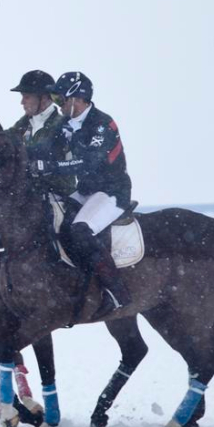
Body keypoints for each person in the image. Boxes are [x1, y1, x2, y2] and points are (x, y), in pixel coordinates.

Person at [38, 72, 133, 319]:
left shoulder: (102, 124)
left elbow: (89, 163)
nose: (57, 104)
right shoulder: (65, 122)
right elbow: (43, 148)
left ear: (77, 99)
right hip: (87, 191)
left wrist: (50, 166)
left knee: (80, 230)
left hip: (112, 191)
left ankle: (117, 292)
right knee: (54, 221)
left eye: (60, 99)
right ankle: (81, 280)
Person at [0, 70, 75, 197]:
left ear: (44, 98)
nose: (22, 102)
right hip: (28, 192)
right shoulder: (24, 123)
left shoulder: (61, 125)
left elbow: (41, 152)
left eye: (26, 97)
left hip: (58, 195)